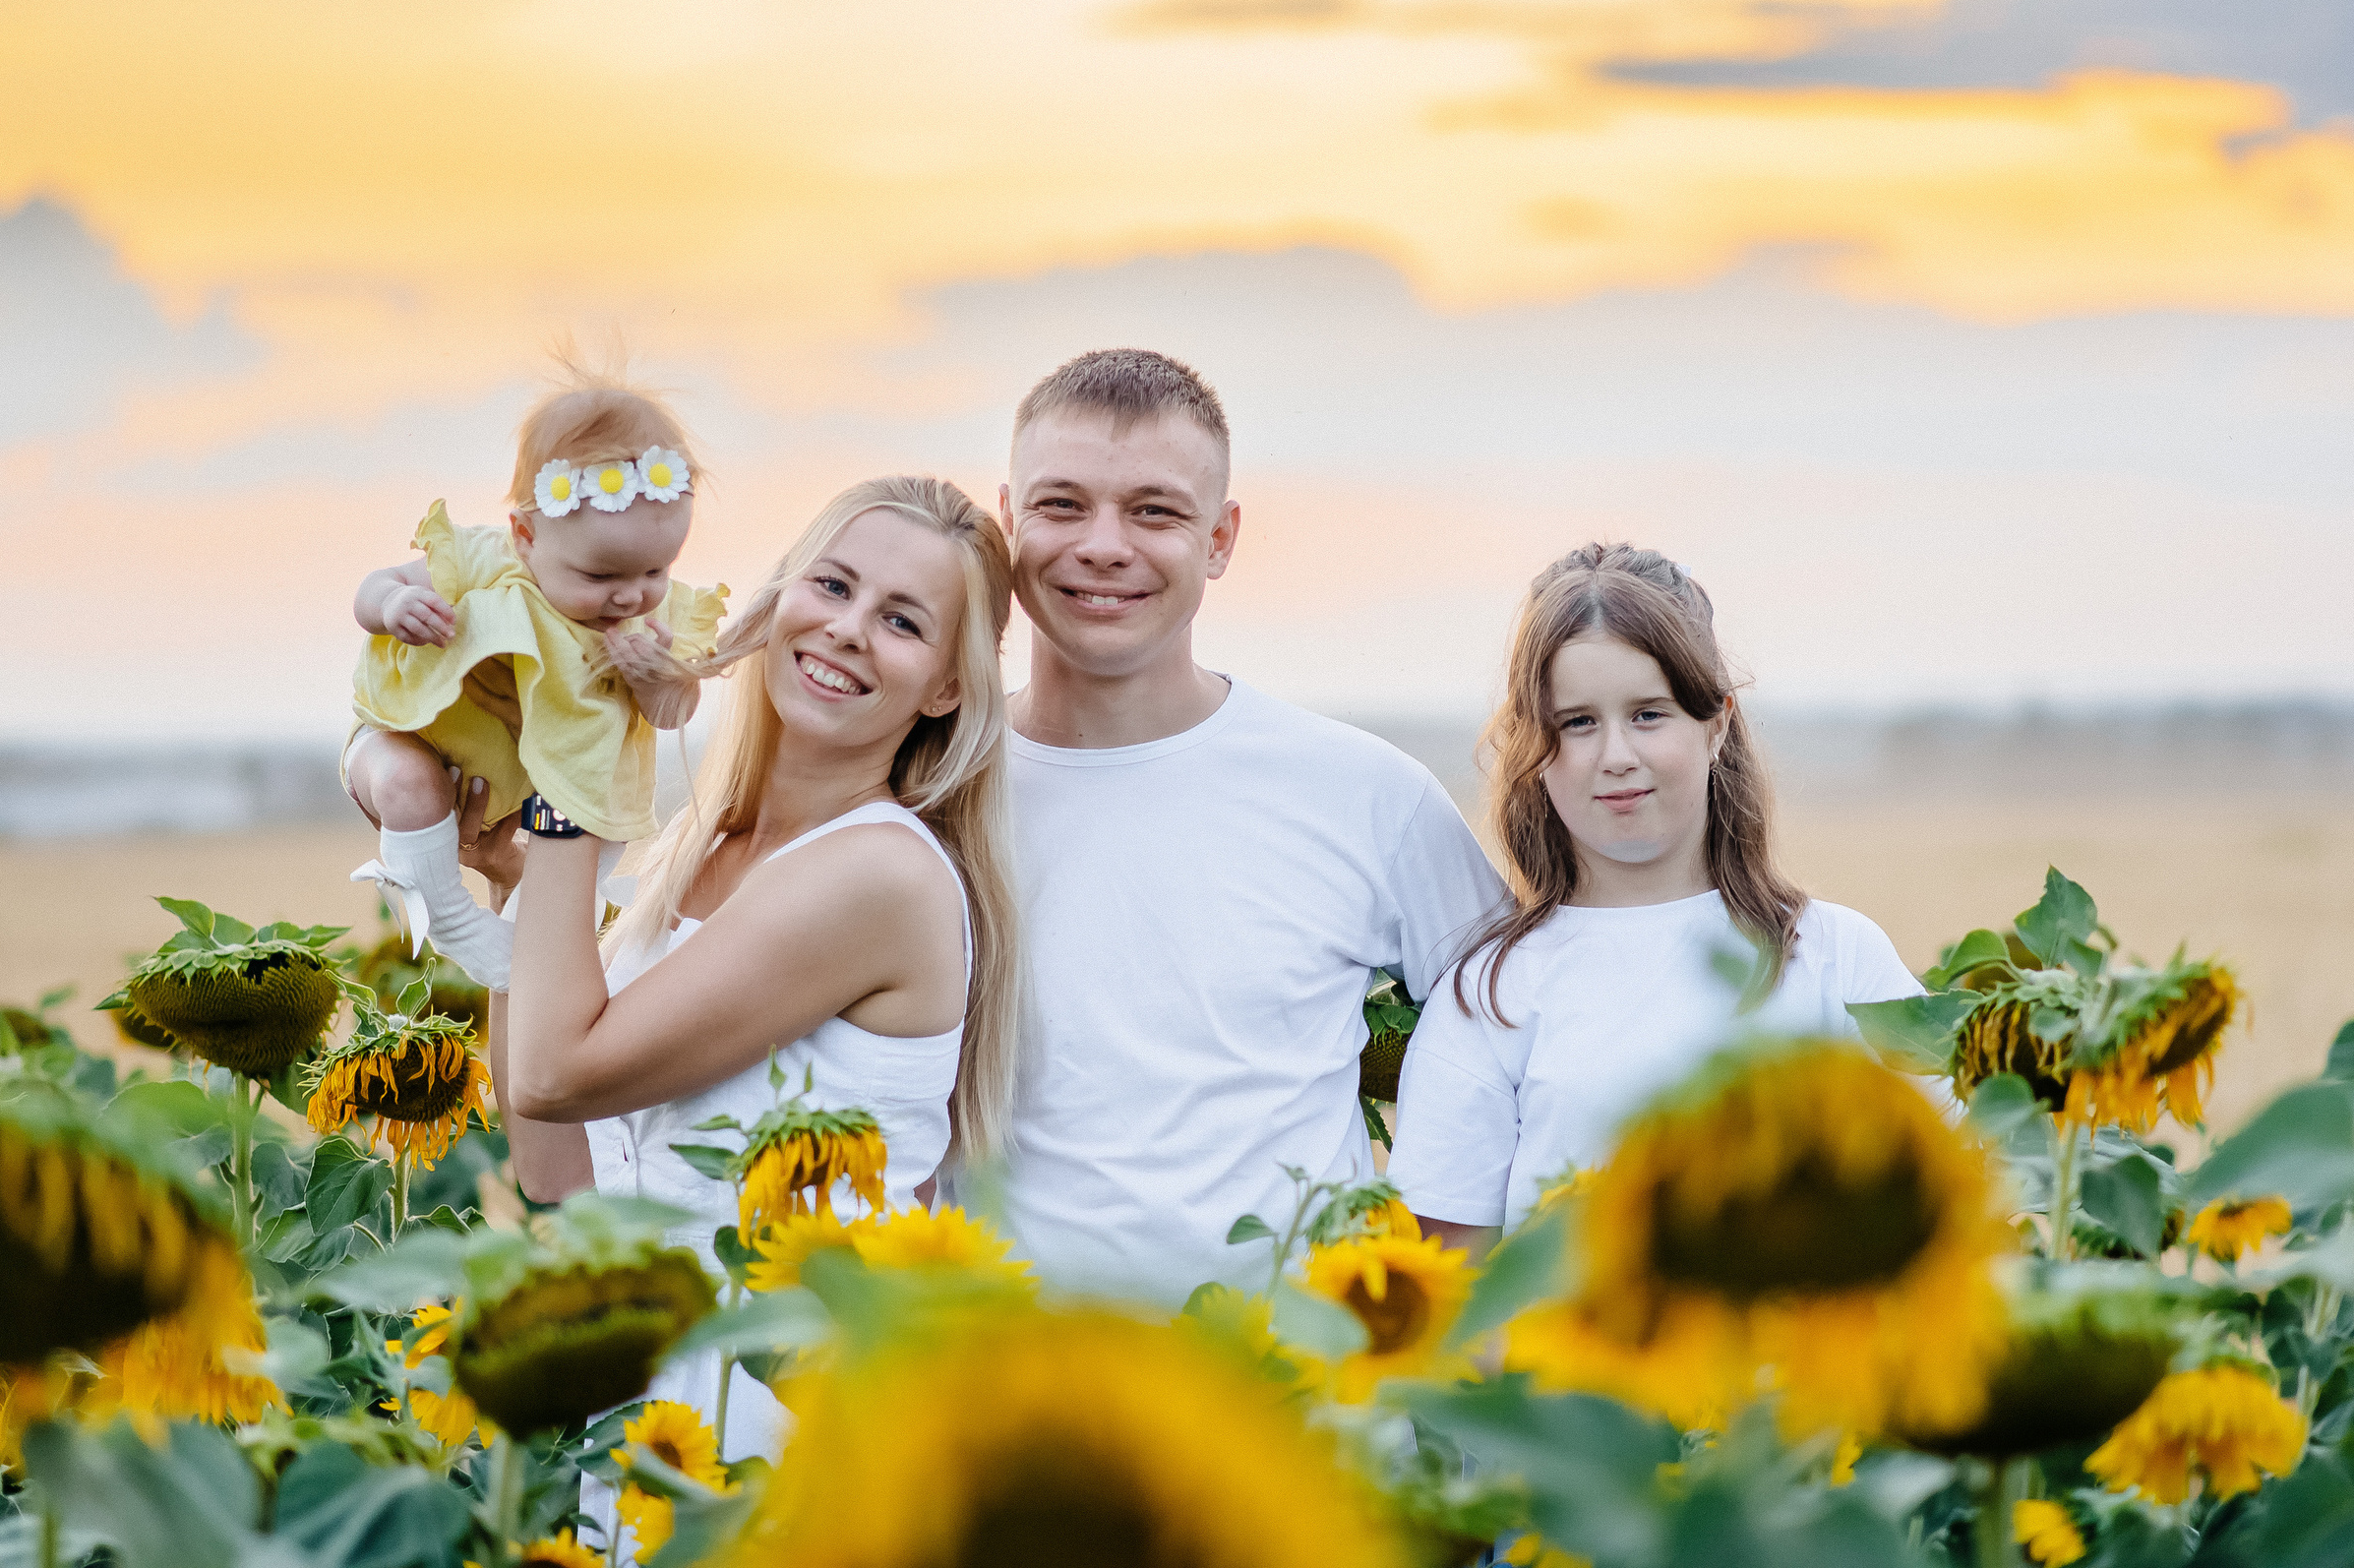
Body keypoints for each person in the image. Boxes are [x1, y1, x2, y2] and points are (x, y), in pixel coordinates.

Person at [490, 473, 1023, 1459]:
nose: (850, 628)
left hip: (775, 1422)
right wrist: (516, 885)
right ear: (779, 599)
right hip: (639, 1413)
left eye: (902, 620)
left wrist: (562, 772)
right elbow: (555, 1164)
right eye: (832, 585)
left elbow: (554, 1071)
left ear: (947, 687)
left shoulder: (878, 872)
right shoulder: (698, 844)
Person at [996, 348, 1502, 1305]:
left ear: (1222, 537)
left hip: (1309, 1412)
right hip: (1014, 1408)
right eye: (1060, 504)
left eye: (1155, 510)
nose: (1104, 544)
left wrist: (1431, 1324)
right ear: (1006, 518)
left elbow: (1517, 1044)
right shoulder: (934, 793)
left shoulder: (1364, 793)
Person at [1384, 543, 1926, 1253]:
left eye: (1648, 714)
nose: (1616, 754)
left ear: (1718, 719)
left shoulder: (1835, 958)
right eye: (1577, 721)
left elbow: (1945, 1199)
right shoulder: (1487, 996)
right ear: (1535, 747)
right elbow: (1456, 1291)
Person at [342, 351, 728, 989]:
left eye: (655, 571)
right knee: (410, 783)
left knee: (601, 822)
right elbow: (374, 585)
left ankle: (527, 926)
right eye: (602, 576)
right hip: (416, 742)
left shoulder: (657, 622)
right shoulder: (485, 560)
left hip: (549, 791)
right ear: (525, 536)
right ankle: (453, 921)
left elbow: (673, 713)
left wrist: (657, 678)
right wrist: (393, 604)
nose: (631, 596)